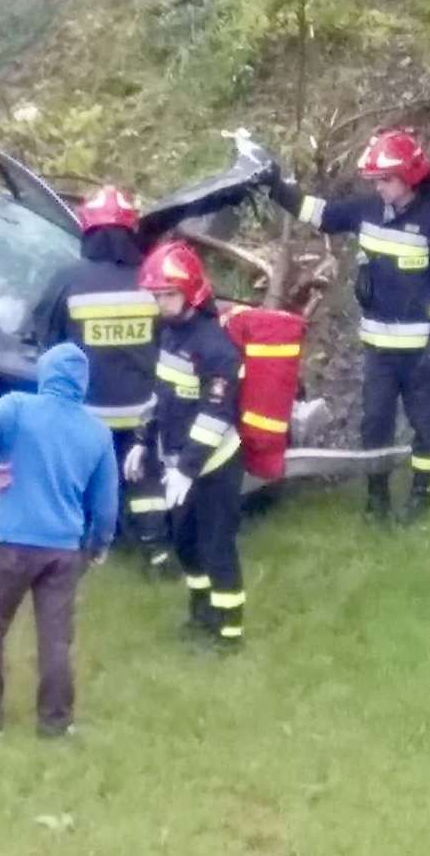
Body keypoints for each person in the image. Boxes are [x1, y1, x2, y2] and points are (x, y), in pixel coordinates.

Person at [256, 127, 430, 523]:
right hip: (379, 352)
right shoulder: (366, 210)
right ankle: (377, 498)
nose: (380, 187)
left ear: (410, 178)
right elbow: (320, 213)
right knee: (375, 425)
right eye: (376, 181)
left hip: (421, 353)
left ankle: (423, 494)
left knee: (426, 427)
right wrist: (274, 185)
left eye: (386, 180)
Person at [0, 342, 119, 738]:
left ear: (45, 374)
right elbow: (105, 506)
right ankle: (55, 724)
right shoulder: (96, 432)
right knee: (55, 638)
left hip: (11, 541)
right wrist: (98, 545)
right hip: (64, 549)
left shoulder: (19, 407)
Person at [30, 185, 167, 573]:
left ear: (87, 232)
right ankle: (156, 550)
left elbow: (46, 339)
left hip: (87, 410)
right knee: (146, 481)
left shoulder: (67, 281)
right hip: (144, 408)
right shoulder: (153, 277)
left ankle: (84, 549)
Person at [127, 241, 247, 651]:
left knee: (217, 548)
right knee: (185, 543)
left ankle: (230, 632)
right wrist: (143, 442)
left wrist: (187, 468)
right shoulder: (170, 335)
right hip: (178, 463)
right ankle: (201, 613)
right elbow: (163, 395)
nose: (161, 304)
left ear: (192, 291)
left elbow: (215, 417)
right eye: (157, 296)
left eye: (169, 295)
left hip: (214, 468)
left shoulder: (215, 348)